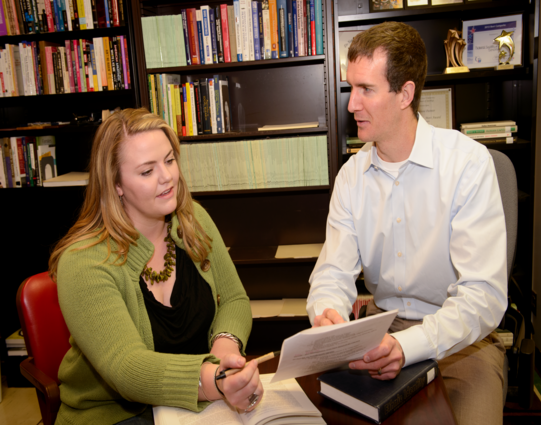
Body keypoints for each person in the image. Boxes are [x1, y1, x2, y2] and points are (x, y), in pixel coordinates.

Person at [307, 22, 507, 425]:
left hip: (461, 339)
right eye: (351, 88)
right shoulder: (351, 176)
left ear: (406, 94)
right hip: (377, 332)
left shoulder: (468, 165)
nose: (351, 105)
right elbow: (332, 271)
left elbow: (483, 297)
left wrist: (409, 345)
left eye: (366, 89)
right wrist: (328, 310)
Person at [49, 108, 263, 424]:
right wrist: (213, 380)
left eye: (169, 160)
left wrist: (223, 356)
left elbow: (234, 300)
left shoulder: (194, 220)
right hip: (114, 416)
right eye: (147, 171)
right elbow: (126, 368)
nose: (167, 177)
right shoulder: (83, 262)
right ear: (116, 184)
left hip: (195, 407)